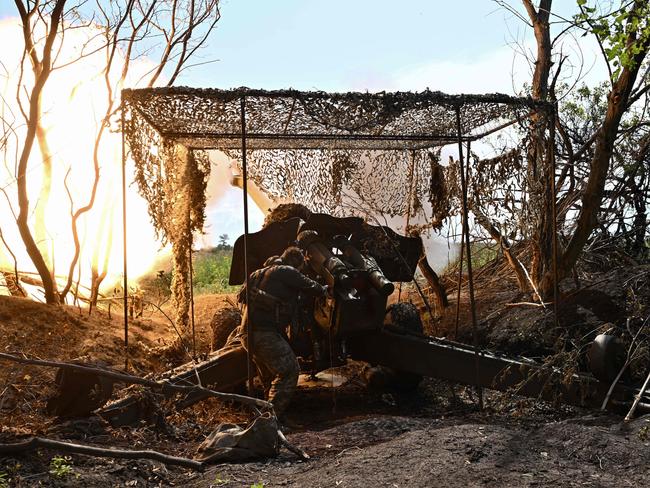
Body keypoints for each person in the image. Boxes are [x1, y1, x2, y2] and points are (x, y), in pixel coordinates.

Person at [239, 246, 327, 416]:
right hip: (265, 335)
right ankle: (270, 420)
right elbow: (312, 286)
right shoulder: (286, 271)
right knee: (290, 370)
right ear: (296, 263)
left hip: (246, 334)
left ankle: (266, 418)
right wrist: (325, 289)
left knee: (270, 379)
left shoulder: (257, 273)